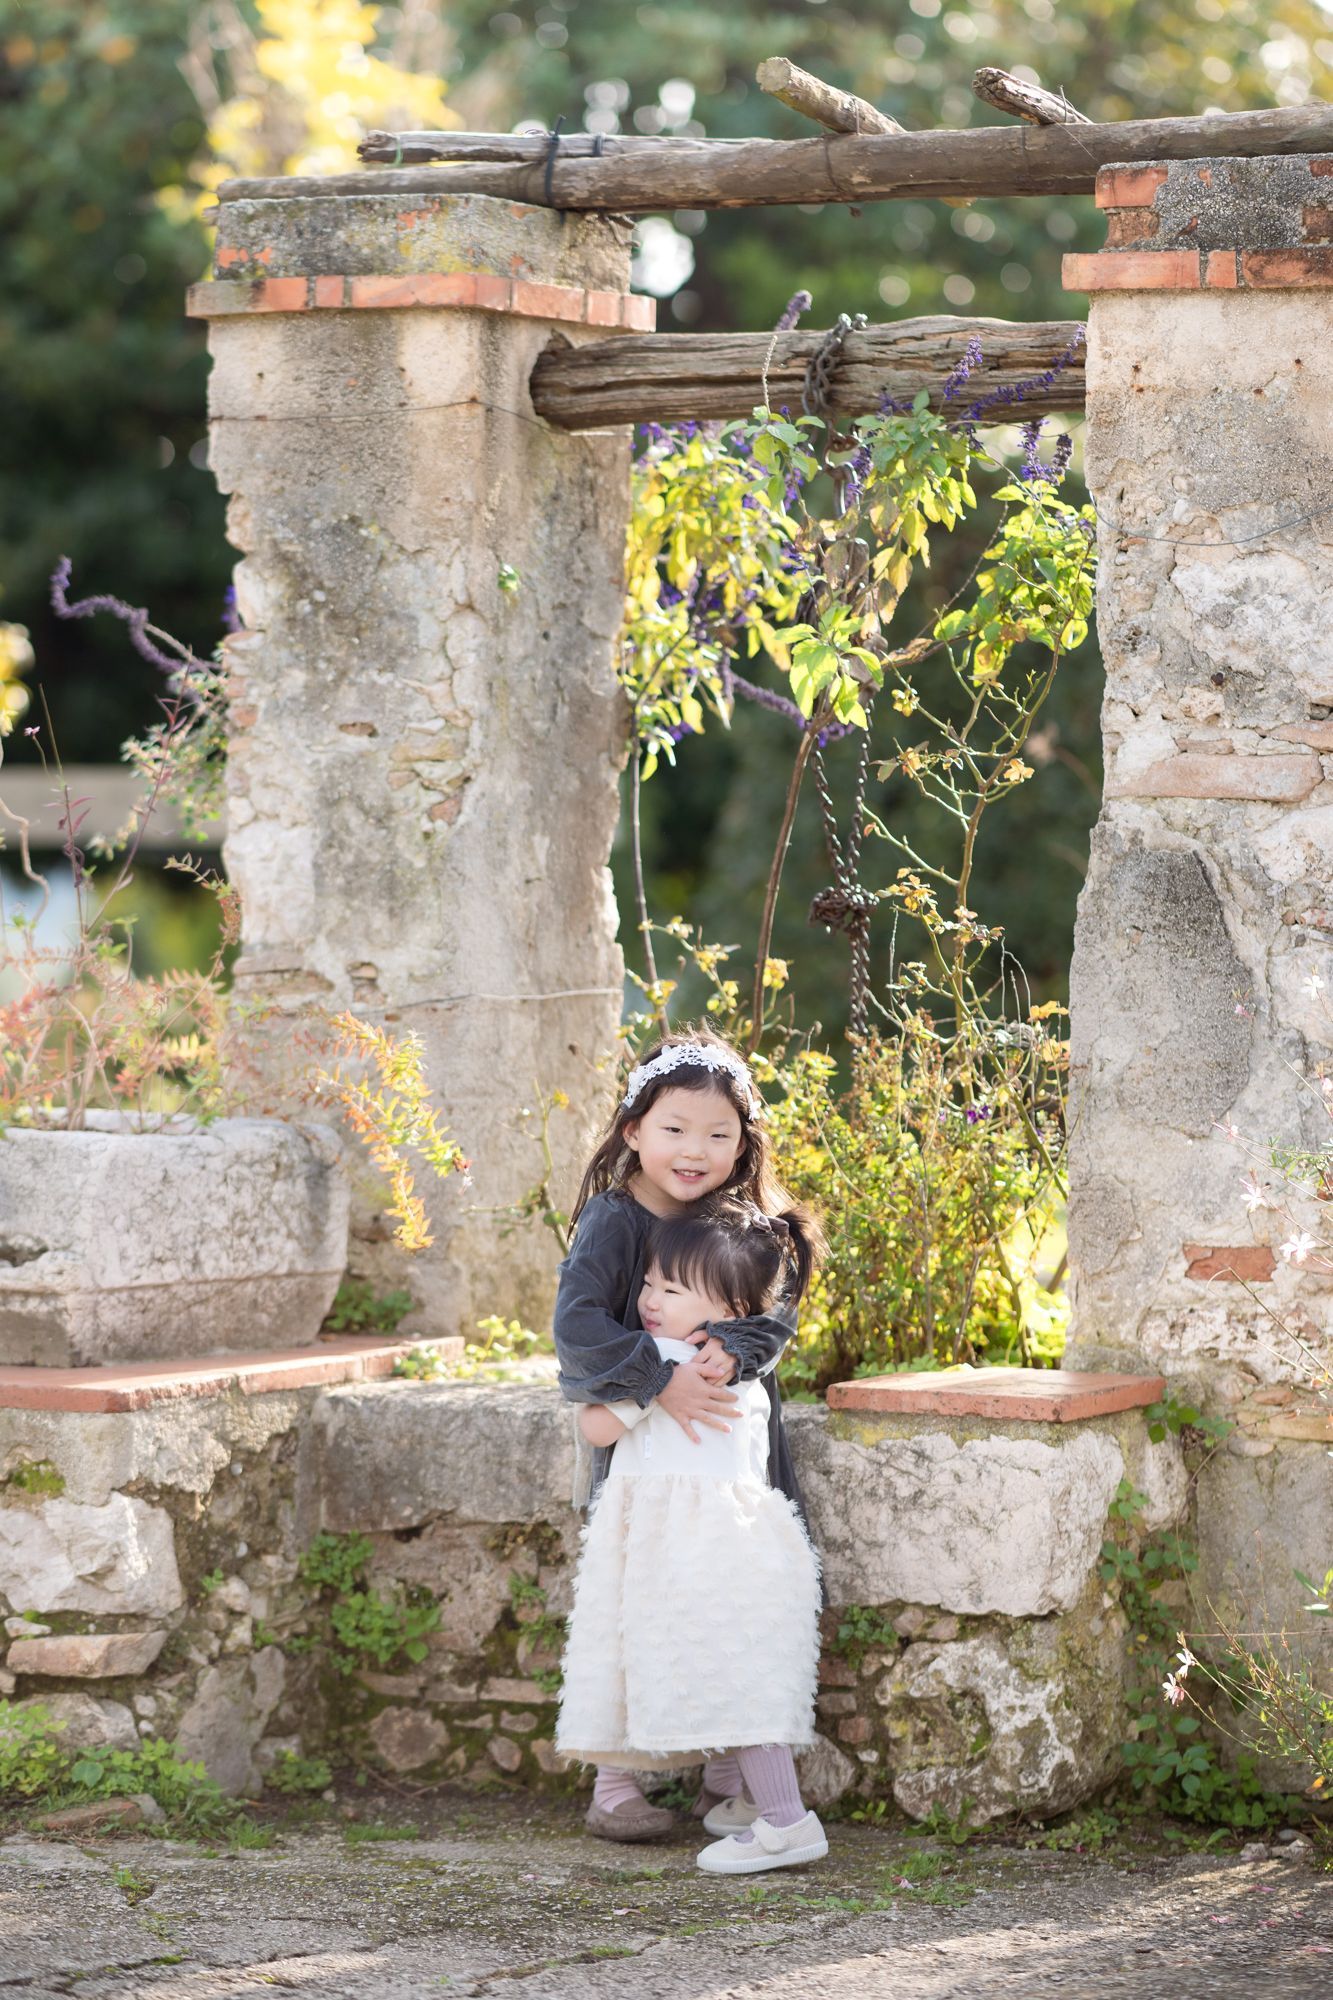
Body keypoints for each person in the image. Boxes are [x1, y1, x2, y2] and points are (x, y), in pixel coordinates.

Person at [552, 1028, 827, 1867]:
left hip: (725, 1442)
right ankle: (617, 1785)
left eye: (718, 1133)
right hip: (645, 1442)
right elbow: (577, 1328)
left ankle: (722, 1773)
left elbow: (772, 1312)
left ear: (743, 1140)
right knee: (635, 1601)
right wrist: (653, 1378)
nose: (694, 1150)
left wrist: (738, 1350)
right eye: (673, 1129)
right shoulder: (613, 1223)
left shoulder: (739, 1219)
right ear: (633, 1128)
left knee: (721, 1600)